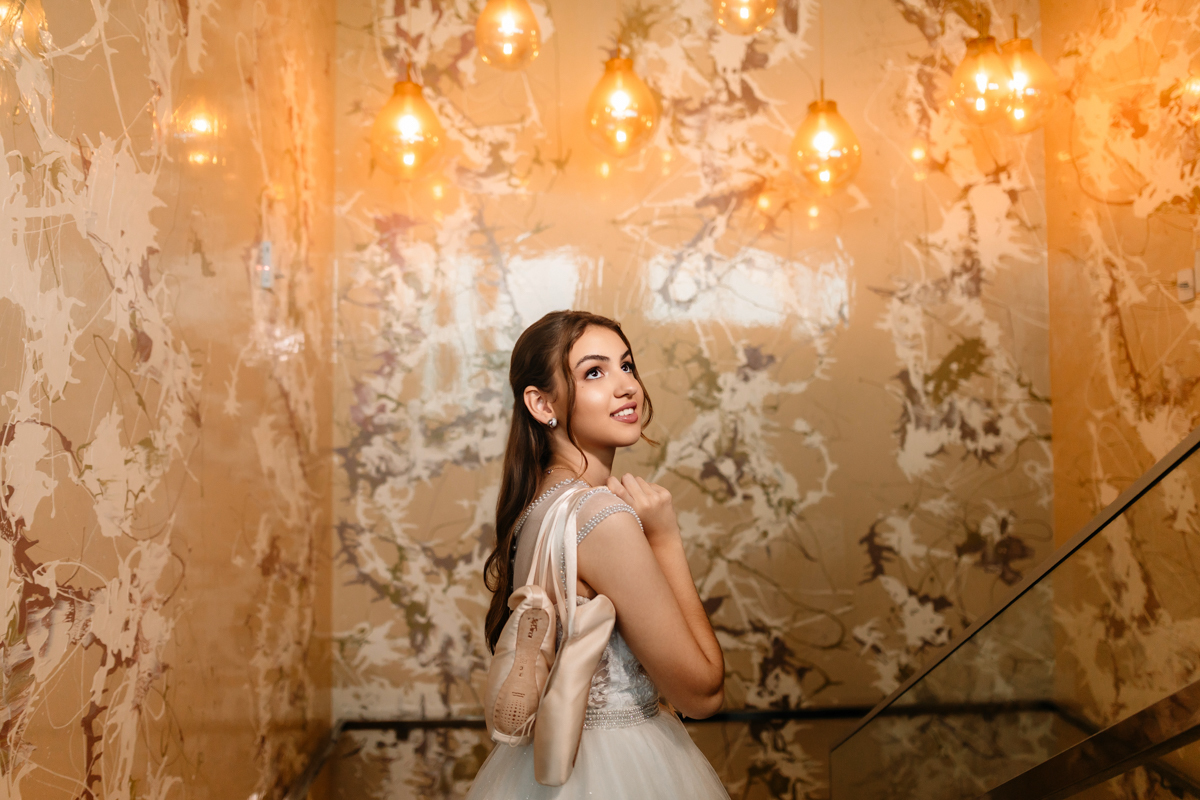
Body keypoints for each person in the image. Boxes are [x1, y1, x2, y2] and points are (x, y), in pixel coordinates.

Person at [467, 310, 730, 799]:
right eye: (594, 372)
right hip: (618, 768)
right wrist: (666, 540)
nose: (626, 386)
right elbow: (702, 694)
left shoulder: (536, 505)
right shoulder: (601, 517)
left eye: (626, 365)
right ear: (542, 403)